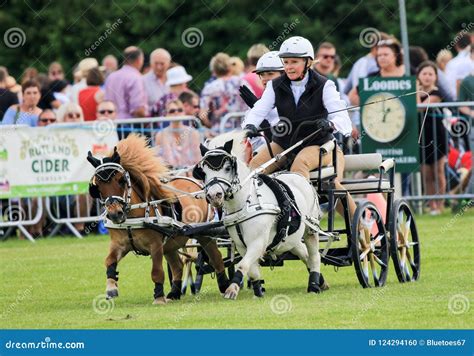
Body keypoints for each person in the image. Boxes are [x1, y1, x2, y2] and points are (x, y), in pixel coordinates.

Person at [244, 36, 356, 216]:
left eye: (294, 62)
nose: (288, 66)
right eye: (286, 62)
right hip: (285, 144)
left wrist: (331, 124)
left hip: (318, 143)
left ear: (308, 62)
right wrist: (249, 125)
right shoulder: (275, 85)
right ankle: (257, 214)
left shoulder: (325, 85)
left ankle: (302, 215)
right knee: (256, 165)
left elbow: (343, 118)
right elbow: (259, 110)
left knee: (299, 166)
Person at [416, 61, 447, 215]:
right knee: (426, 173)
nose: (427, 77)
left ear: (435, 77)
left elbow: (420, 107)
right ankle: (431, 205)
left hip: (437, 134)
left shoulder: (437, 92)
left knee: (438, 171)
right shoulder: (416, 91)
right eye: (424, 73)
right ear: (419, 76)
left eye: (430, 74)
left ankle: (440, 205)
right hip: (421, 136)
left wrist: (414, 90)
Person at [200, 52, 249, 131]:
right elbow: (253, 104)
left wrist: (210, 125)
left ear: (214, 71)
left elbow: (203, 115)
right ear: (230, 68)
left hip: (219, 131)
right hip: (242, 130)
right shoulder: (241, 82)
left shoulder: (209, 87)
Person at [154, 99, 201, 169]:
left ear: (184, 112)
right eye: (172, 111)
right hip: (170, 176)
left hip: (190, 176)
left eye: (180, 110)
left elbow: (198, 160)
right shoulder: (160, 135)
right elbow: (157, 160)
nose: (176, 112)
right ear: (167, 114)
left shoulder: (193, 133)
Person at [105, 46, 147, 119]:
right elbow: (138, 109)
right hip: (129, 125)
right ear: (139, 60)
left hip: (112, 123)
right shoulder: (136, 77)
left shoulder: (111, 77)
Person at [445, 31, 473, 99]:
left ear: (456, 45)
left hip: (455, 102)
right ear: (471, 42)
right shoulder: (470, 61)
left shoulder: (451, 63)